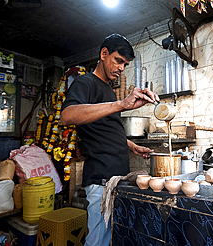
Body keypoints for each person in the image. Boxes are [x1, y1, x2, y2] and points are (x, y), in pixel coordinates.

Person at [61, 34, 159, 246]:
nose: (121, 68)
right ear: (103, 54)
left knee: (110, 237)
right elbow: (67, 115)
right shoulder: (85, 82)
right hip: (101, 177)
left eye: (125, 64)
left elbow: (106, 130)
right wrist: (121, 105)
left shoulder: (108, 90)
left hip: (116, 177)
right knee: (98, 240)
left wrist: (132, 146)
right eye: (118, 60)